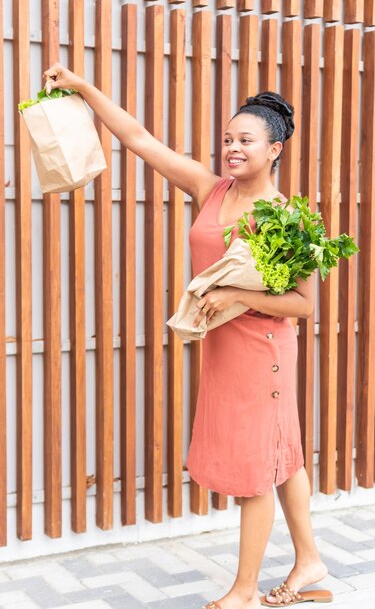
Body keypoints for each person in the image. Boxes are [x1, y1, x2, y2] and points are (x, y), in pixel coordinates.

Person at [43, 63, 332, 608]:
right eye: (228, 138)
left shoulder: (287, 217)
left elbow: (303, 305)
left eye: (246, 140)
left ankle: (244, 592)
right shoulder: (211, 189)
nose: (232, 148)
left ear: (275, 149)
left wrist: (240, 297)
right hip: (225, 350)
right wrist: (83, 87)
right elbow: (139, 138)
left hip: (263, 351)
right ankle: (309, 559)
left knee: (255, 470)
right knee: (281, 454)